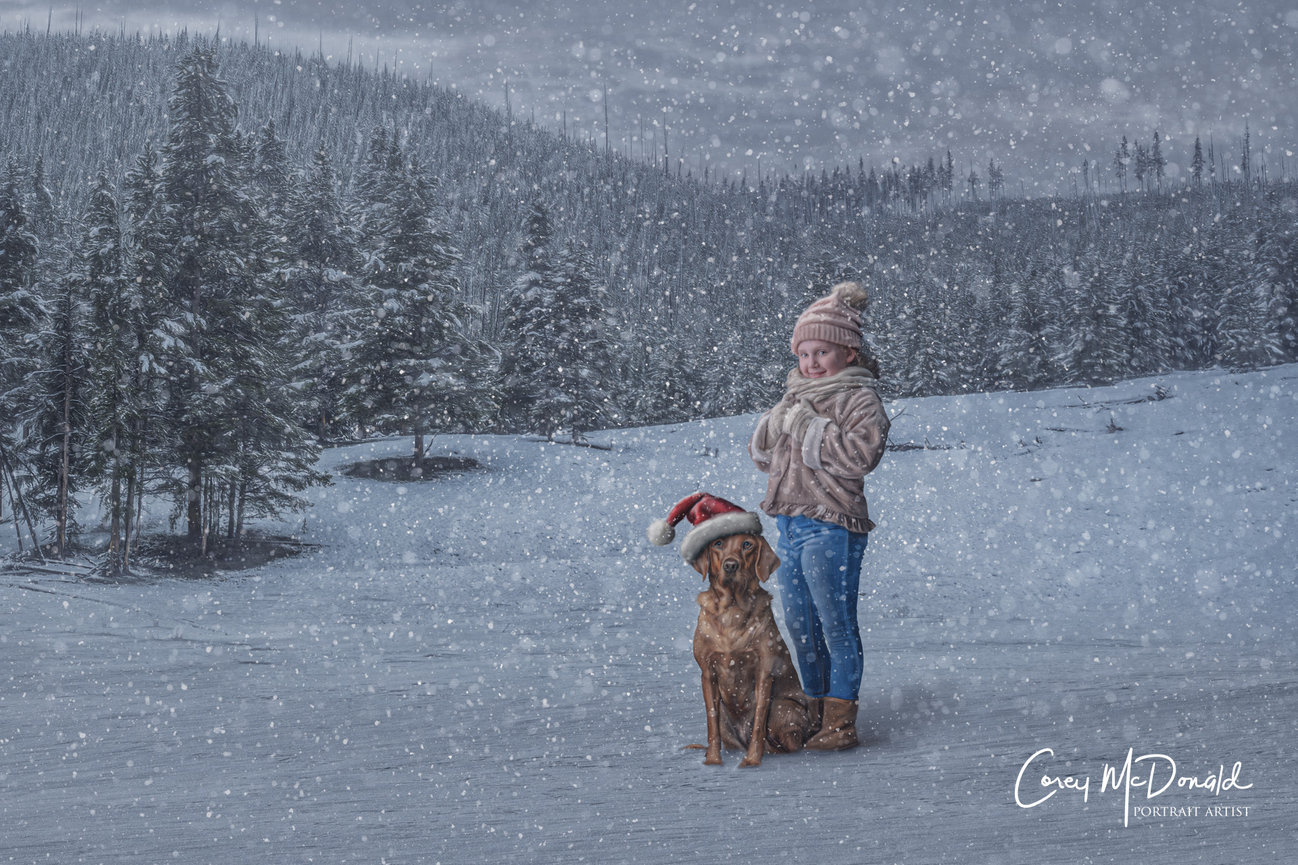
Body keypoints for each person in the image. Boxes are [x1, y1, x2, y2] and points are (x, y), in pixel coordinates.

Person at [748, 281, 890, 750]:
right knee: (800, 624)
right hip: (789, 524)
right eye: (804, 353)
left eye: (822, 352)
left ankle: (841, 720)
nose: (810, 363)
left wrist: (808, 426)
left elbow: (859, 456)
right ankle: (812, 709)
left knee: (836, 622)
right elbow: (766, 459)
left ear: (848, 352)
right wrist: (774, 426)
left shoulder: (859, 399)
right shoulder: (794, 397)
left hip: (832, 524)